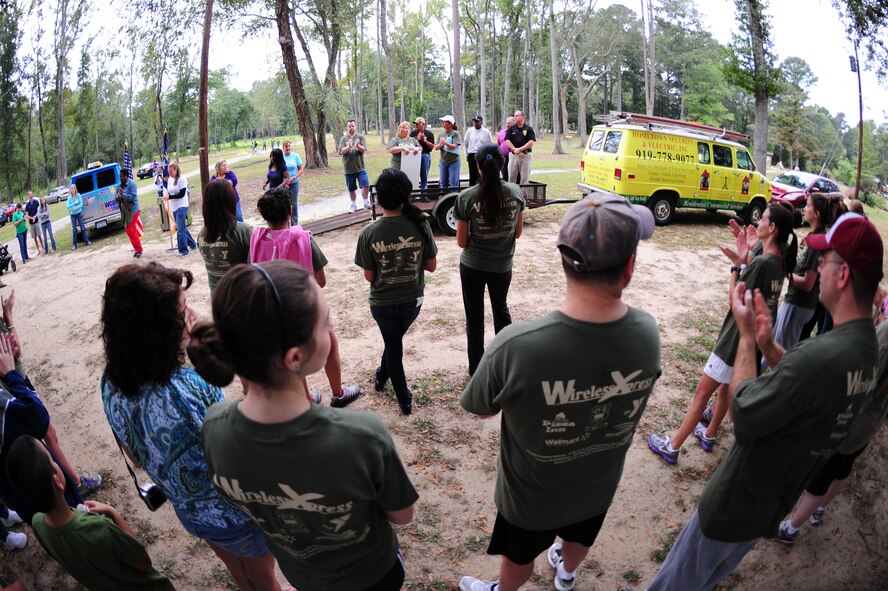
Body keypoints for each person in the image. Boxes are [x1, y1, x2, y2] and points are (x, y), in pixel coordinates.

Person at [647, 212, 883, 591]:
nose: (818, 266)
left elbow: (744, 413)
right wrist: (771, 348)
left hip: (738, 502)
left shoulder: (823, 355)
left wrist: (745, 338)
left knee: (677, 583)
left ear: (842, 276)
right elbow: (809, 390)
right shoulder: (866, 349)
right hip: (772, 502)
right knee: (704, 581)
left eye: (825, 260)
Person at [458, 192, 660, 591]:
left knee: (518, 558)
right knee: (579, 537)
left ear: (564, 260)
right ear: (630, 266)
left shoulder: (516, 345)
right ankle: (566, 574)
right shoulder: (647, 334)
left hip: (530, 500)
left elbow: (480, 409)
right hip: (596, 489)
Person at [190, 260, 419, 591]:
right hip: (373, 577)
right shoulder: (361, 436)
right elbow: (402, 515)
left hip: (301, 576)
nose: (332, 325)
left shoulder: (213, 429)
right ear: (295, 358)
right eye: (326, 321)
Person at [101, 263, 280, 590]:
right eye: (182, 311)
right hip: (237, 514)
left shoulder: (110, 381)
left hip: (191, 512)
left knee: (240, 572)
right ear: (157, 330)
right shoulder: (190, 391)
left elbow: (135, 454)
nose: (194, 314)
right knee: (264, 577)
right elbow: (243, 455)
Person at [648, 203, 796, 463]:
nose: (757, 222)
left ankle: (672, 446)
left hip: (733, 339)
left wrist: (736, 266)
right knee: (725, 389)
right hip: (748, 345)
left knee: (702, 394)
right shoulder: (777, 263)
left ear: (771, 228)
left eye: (762, 219)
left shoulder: (761, 263)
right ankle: (709, 434)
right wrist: (745, 259)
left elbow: (734, 300)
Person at [774, 315, 888, 545]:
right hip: (872, 421)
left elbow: (860, 376)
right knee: (842, 468)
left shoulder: (885, 335)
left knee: (821, 477)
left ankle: (791, 529)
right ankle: (820, 508)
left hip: (854, 419)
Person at [6, 435, 175, 590]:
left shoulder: (37, 524)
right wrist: (112, 512)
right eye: (52, 459)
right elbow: (144, 562)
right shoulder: (98, 527)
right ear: (57, 481)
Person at [250, 187, 362, 408]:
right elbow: (320, 280)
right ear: (290, 211)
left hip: (274, 313)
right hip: (305, 310)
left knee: (294, 355)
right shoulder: (303, 239)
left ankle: (307, 398)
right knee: (330, 347)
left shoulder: (256, 239)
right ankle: (338, 394)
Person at [355, 169, 438, 415]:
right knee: (393, 343)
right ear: (406, 194)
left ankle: (403, 396)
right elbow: (431, 266)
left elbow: (369, 276)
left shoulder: (369, 232)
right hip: (412, 302)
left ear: (379, 197)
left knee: (393, 344)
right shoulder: (421, 223)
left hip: (382, 303)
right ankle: (382, 377)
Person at [455, 144, 525, 376]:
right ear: (502, 164)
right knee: (501, 310)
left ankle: (476, 370)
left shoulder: (466, 197)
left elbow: (462, 242)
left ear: (478, 167)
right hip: (502, 267)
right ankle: (506, 365)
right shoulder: (516, 193)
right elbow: (517, 233)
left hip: (472, 267)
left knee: (474, 318)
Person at [771, 193, 841, 355]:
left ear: (816, 214)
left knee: (782, 353)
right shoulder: (813, 236)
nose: (804, 209)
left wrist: (786, 274)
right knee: (774, 346)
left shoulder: (818, 241)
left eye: (808, 206)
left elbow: (808, 283)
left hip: (799, 303)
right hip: (794, 300)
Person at [197, 180, 252, 293]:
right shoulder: (243, 232)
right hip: (242, 299)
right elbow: (255, 267)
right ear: (231, 201)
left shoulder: (202, 234)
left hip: (217, 300)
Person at [337, 119, 371, 213]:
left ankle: (365, 202)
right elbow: (341, 151)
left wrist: (357, 145)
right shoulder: (343, 139)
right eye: (349, 126)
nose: (351, 128)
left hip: (360, 167)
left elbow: (363, 150)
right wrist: (348, 146)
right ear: (347, 127)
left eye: (353, 126)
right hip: (348, 169)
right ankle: (353, 205)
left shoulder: (360, 137)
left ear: (356, 126)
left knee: (365, 184)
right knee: (351, 188)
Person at [164, 163, 196, 257]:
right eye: (169, 172)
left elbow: (181, 194)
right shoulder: (170, 179)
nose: (170, 173)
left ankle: (183, 250)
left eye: (171, 172)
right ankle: (192, 244)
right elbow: (169, 191)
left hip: (182, 205)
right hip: (174, 206)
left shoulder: (182, 179)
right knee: (182, 227)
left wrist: (170, 197)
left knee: (180, 230)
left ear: (176, 170)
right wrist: (167, 196)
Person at [118, 168, 144, 258]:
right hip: (126, 211)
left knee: (131, 230)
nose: (120, 178)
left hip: (133, 209)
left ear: (126, 176)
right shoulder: (120, 185)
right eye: (119, 176)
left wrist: (123, 194)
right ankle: (137, 249)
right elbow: (117, 197)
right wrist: (118, 196)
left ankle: (139, 249)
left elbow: (132, 197)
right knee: (129, 231)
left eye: (121, 176)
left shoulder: (132, 184)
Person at [505, 110, 535, 185]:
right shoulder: (511, 129)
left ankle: (524, 195)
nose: (515, 117)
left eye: (517, 116)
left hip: (525, 155)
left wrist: (520, 149)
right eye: (514, 115)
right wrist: (515, 150)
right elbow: (507, 141)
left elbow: (531, 142)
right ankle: (511, 195)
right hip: (513, 156)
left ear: (523, 117)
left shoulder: (529, 129)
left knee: (525, 178)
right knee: (511, 177)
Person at [464, 115, 493, 187]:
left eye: (477, 122)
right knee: (472, 174)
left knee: (482, 173)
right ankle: (472, 188)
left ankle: (482, 188)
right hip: (471, 154)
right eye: (474, 121)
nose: (475, 123)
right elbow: (465, 144)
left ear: (481, 122)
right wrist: (466, 154)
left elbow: (489, 145)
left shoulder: (486, 132)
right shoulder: (469, 131)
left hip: (482, 154)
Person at [436, 115, 462, 190]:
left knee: (454, 184)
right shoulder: (441, 134)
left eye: (444, 122)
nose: (442, 123)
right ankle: (444, 199)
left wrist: (446, 143)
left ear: (450, 124)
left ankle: (453, 199)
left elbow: (454, 146)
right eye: (442, 121)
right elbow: (436, 147)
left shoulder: (455, 133)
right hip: (443, 161)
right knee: (443, 182)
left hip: (454, 162)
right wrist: (441, 144)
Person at [281, 140, 304, 225]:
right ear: (283, 147)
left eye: (289, 146)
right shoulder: (281, 157)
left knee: (294, 204)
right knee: (285, 204)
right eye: (286, 146)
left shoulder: (295, 156)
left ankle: (295, 223)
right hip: (284, 184)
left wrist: (294, 177)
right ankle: (285, 224)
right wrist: (284, 181)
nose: (288, 148)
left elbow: (301, 169)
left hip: (294, 183)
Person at [409, 117, 436, 190]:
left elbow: (432, 147)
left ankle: (424, 194)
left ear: (423, 124)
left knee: (424, 175)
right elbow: (410, 145)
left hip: (425, 155)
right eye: (416, 124)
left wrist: (424, 140)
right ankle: (413, 192)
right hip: (414, 155)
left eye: (418, 124)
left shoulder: (429, 134)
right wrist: (417, 139)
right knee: (413, 174)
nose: (416, 126)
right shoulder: (413, 133)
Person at [66, 185, 91, 250]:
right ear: (70, 190)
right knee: (74, 230)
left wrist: (76, 207)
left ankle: (87, 241)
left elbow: (81, 204)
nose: (73, 190)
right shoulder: (69, 198)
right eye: (71, 188)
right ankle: (74, 245)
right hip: (73, 215)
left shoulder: (78, 195)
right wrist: (73, 204)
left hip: (79, 213)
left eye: (74, 188)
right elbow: (67, 206)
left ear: (75, 189)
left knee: (82, 228)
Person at [497, 116, 515, 181]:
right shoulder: (501, 132)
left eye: (509, 123)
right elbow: (498, 144)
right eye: (507, 123)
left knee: (513, 174)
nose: (507, 125)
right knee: (504, 173)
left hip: (513, 156)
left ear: (514, 123)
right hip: (503, 157)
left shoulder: (517, 132)